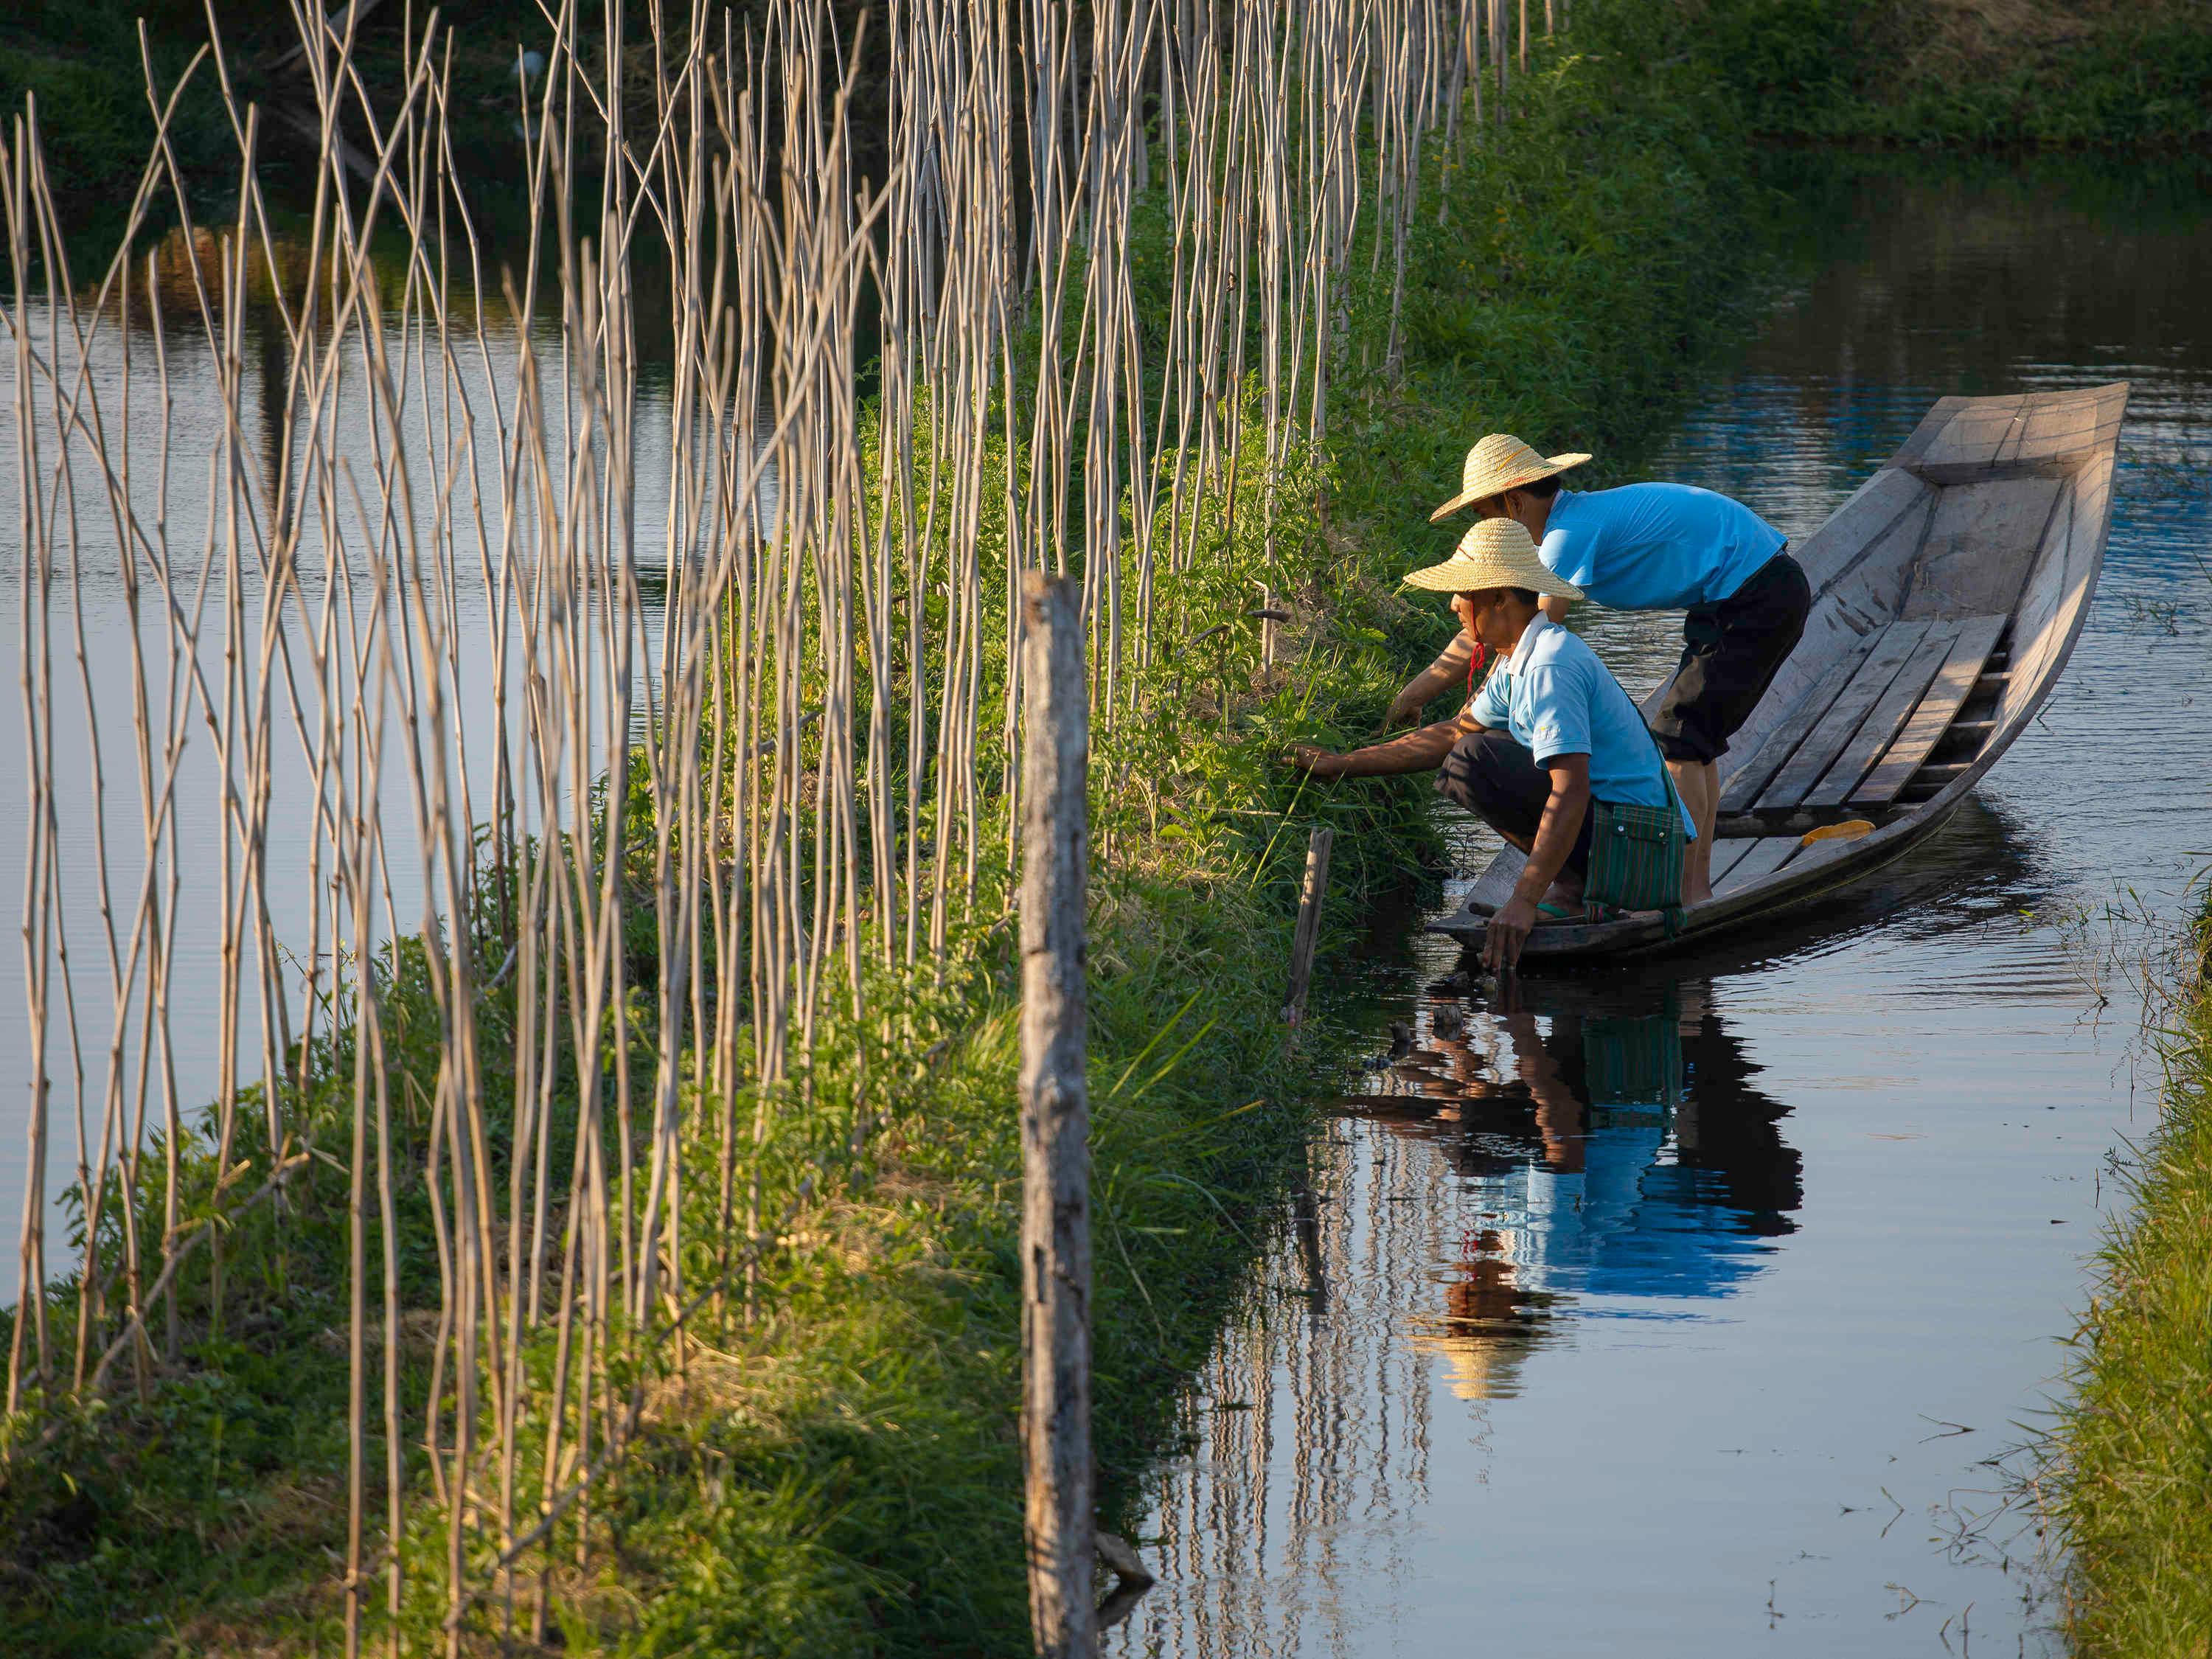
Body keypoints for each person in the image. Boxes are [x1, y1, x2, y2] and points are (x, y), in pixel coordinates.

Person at [1391, 433, 1810, 904]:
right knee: (1693, 742)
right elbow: (1487, 631)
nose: (1483, 528)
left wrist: (1468, 707)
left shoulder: (1565, 536)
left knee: (1681, 740)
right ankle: (1694, 887)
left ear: (1512, 502)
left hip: (1754, 594)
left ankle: (1685, 893)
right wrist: (1414, 696)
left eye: (1482, 515)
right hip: (1737, 593)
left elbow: (1521, 635)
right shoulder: (1570, 521)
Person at [1290, 518, 1694, 973]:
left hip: (1643, 849)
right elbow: (1453, 733)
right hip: (1622, 835)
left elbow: (1571, 788)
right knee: (1473, 751)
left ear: (1499, 598)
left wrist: (1523, 899)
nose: (1453, 605)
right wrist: (1341, 764)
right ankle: (1572, 882)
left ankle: (1577, 891)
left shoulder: (1549, 666)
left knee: (1476, 758)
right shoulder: (1516, 657)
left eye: (1464, 592)